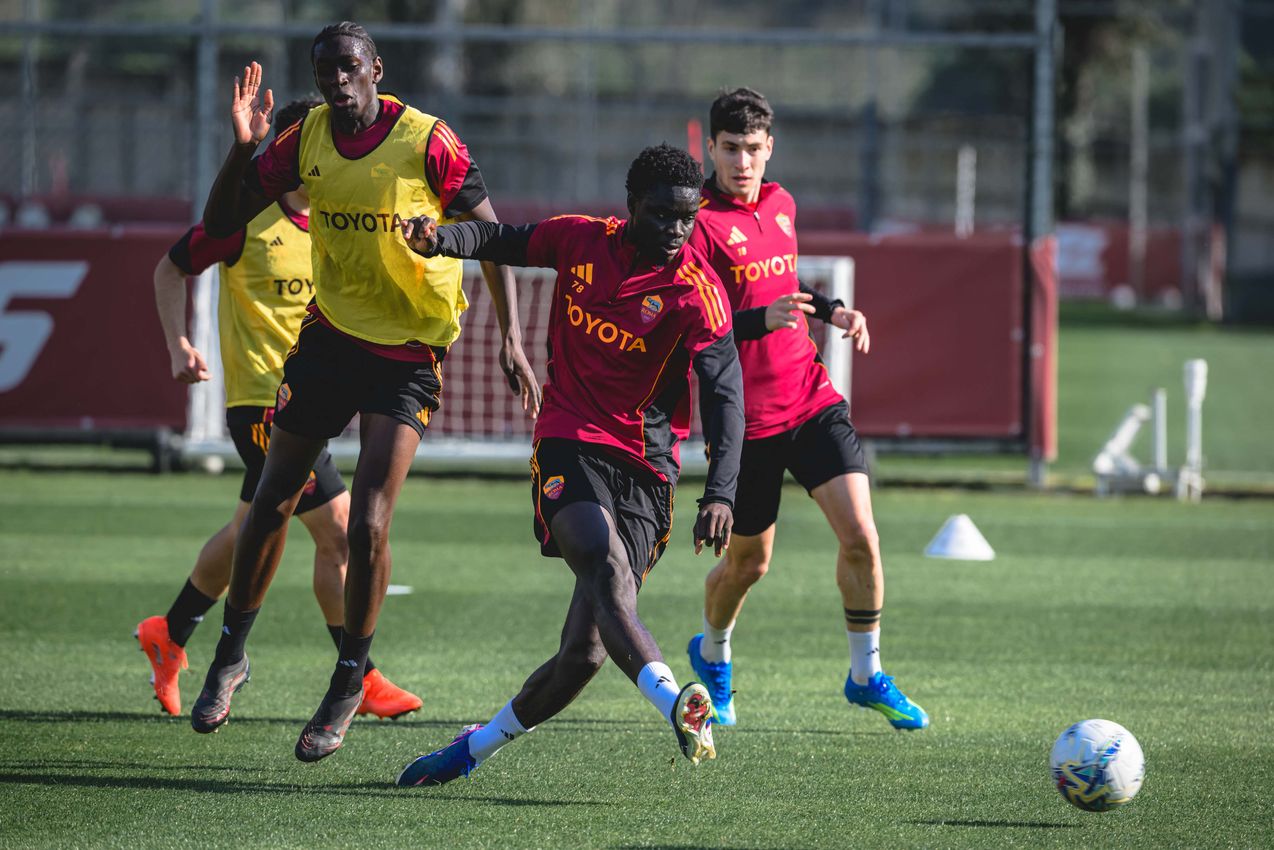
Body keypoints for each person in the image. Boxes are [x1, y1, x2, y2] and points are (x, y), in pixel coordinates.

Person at [190, 22, 540, 762]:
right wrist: (244, 148)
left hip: (409, 351)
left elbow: (493, 235)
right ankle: (230, 654)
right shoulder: (304, 141)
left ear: (376, 68)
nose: (338, 81)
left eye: (350, 67)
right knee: (272, 496)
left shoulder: (428, 142)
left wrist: (511, 336)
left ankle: (349, 677)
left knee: (370, 524)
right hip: (332, 336)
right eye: (325, 71)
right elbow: (219, 223)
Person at [394, 143, 746, 787]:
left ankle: (473, 749)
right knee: (605, 566)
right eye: (663, 215)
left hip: (647, 469)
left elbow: (726, 394)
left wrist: (721, 492)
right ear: (632, 205)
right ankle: (678, 703)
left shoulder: (698, 292)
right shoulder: (579, 240)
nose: (676, 230)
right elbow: (501, 238)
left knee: (583, 655)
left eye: (688, 218)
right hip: (569, 440)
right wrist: (439, 239)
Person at [137, 97, 422, 724]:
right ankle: (362, 677)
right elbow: (170, 268)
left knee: (250, 528)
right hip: (263, 406)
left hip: (316, 399)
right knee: (340, 530)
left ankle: (170, 631)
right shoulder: (247, 220)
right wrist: (178, 345)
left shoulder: (339, 221)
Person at [684, 88, 928, 730]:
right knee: (749, 564)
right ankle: (712, 655)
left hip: (811, 399)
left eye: (752, 149)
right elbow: (692, 324)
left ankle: (866, 675)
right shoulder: (697, 224)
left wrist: (834, 310)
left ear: (770, 148)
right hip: (746, 422)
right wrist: (755, 321)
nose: (742, 162)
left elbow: (785, 285)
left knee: (862, 537)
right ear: (712, 148)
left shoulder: (782, 204)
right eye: (730, 149)